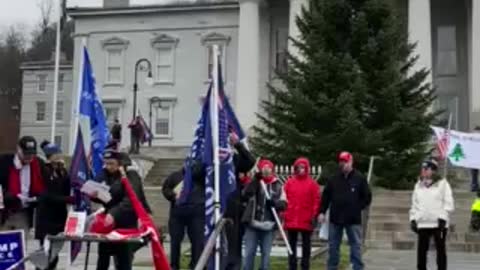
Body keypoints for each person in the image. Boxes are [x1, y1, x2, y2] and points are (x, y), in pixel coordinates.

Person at [88, 150, 146, 270]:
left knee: (124, 259)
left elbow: (130, 200)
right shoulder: (106, 175)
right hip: (108, 224)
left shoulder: (131, 176)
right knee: (103, 257)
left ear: (120, 164)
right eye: (106, 163)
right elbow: (108, 199)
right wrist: (95, 196)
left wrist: (114, 214)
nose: (108, 167)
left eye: (111, 164)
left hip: (126, 223)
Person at [318, 151, 371, 270]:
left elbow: (367, 196)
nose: (343, 164)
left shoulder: (359, 178)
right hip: (336, 218)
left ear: (351, 162)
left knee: (355, 245)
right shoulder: (333, 179)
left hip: (353, 219)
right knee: (333, 246)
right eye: (341, 161)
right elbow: (326, 197)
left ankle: (357, 267)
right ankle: (332, 267)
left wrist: (357, 207)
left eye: (346, 161)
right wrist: (321, 212)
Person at [242, 159, 287, 270]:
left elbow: (284, 203)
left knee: (266, 255)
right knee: (249, 253)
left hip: (269, 225)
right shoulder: (255, 183)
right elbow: (246, 194)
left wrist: (275, 203)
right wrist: (256, 179)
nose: (267, 171)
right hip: (253, 224)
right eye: (264, 169)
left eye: (269, 169)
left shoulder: (278, 185)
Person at [409, 159, 454, 270]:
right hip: (423, 223)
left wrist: (443, 218)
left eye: (426, 168)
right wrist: (413, 219)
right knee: (421, 251)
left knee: (440, 250)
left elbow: (449, 203)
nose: (423, 171)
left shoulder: (443, 184)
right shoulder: (418, 185)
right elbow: (414, 204)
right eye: (422, 168)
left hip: (439, 223)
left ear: (433, 170)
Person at [35, 141, 73, 270]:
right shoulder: (44, 170)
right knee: (45, 254)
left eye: (59, 153)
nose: (59, 156)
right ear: (49, 156)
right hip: (46, 218)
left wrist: (65, 172)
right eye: (56, 154)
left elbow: (66, 187)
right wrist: (69, 199)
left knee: (54, 255)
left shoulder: (61, 170)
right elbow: (48, 195)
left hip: (59, 217)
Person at [162, 161, 206, 270]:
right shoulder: (175, 176)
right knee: (175, 241)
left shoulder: (200, 177)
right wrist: (173, 196)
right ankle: (174, 265)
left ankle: (195, 265)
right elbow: (165, 189)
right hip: (177, 214)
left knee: (197, 241)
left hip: (196, 213)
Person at [0, 136, 46, 236]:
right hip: (5, 212)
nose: (29, 157)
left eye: (32, 154)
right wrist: (5, 195)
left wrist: (39, 197)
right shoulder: (4, 161)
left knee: (20, 244)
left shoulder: (39, 165)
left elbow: (45, 186)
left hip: (24, 212)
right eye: (26, 153)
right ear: (18, 149)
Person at [224, 131, 256, 270]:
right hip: (214, 203)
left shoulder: (234, 159)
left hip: (232, 204)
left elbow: (250, 161)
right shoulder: (210, 157)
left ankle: (233, 265)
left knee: (234, 241)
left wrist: (237, 144)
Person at [283, 157, 321, 270]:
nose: (301, 169)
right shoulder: (289, 183)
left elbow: (316, 200)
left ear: (307, 168)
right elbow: (284, 199)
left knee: (306, 245)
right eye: (299, 167)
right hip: (292, 218)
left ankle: (305, 266)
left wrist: (314, 215)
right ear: (295, 168)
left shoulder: (313, 184)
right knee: (291, 245)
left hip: (306, 219)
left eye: (303, 167)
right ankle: (292, 266)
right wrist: (285, 213)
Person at [471, 127, 480, 192]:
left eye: (477, 132)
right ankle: (474, 186)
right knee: (474, 174)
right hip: (473, 160)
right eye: (475, 132)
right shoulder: (471, 139)